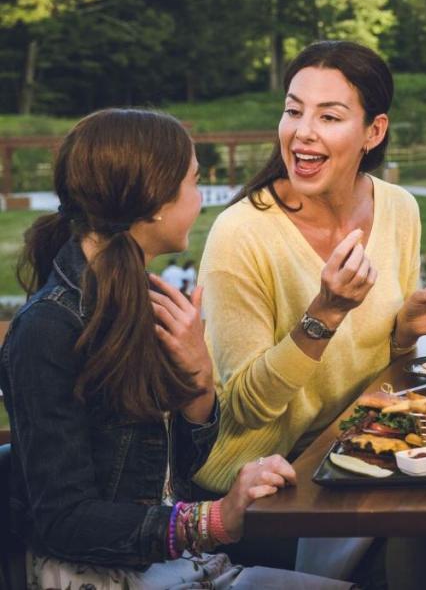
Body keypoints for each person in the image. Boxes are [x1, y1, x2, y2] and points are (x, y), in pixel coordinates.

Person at [1, 109, 340, 589]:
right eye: (194, 182)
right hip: (100, 577)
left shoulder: (142, 297)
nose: (200, 201)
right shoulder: (48, 329)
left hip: (176, 566)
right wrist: (215, 520)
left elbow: (172, 478)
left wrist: (197, 381)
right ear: (156, 202)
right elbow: (65, 520)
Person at [193, 41, 426, 585]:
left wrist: (405, 330)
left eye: (329, 116)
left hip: (357, 456)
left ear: (374, 132)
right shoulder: (242, 234)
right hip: (266, 484)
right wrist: (324, 313)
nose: (303, 132)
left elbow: (370, 374)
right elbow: (247, 408)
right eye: (293, 110)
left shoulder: (399, 209)